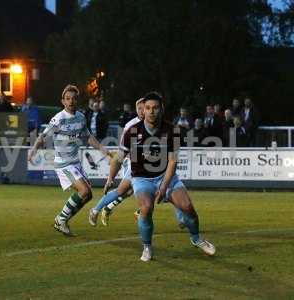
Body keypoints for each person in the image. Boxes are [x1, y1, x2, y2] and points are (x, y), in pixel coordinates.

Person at [104, 91, 215, 261]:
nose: (151, 111)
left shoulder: (173, 131)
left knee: (187, 208)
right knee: (146, 209)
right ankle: (147, 247)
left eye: (155, 108)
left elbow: (173, 161)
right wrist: (110, 177)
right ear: (143, 110)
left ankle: (196, 239)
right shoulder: (132, 132)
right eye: (148, 108)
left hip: (166, 177)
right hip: (141, 179)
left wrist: (164, 186)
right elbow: (119, 158)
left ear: (161, 109)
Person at [89, 97, 185, 227]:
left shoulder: (158, 125)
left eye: (143, 108)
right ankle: (97, 209)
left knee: (166, 188)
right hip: (136, 165)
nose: (142, 111)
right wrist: (111, 176)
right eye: (139, 108)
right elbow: (124, 149)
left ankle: (180, 218)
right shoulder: (132, 126)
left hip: (155, 166)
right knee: (122, 191)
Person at [28, 84, 110, 236]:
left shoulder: (80, 117)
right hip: (63, 164)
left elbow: (88, 137)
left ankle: (63, 220)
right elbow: (43, 136)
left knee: (88, 195)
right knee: (84, 190)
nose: (71, 101)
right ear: (63, 101)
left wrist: (102, 149)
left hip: (75, 163)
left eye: (73, 98)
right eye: (68, 99)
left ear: (77, 100)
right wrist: (33, 149)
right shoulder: (58, 119)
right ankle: (60, 219)